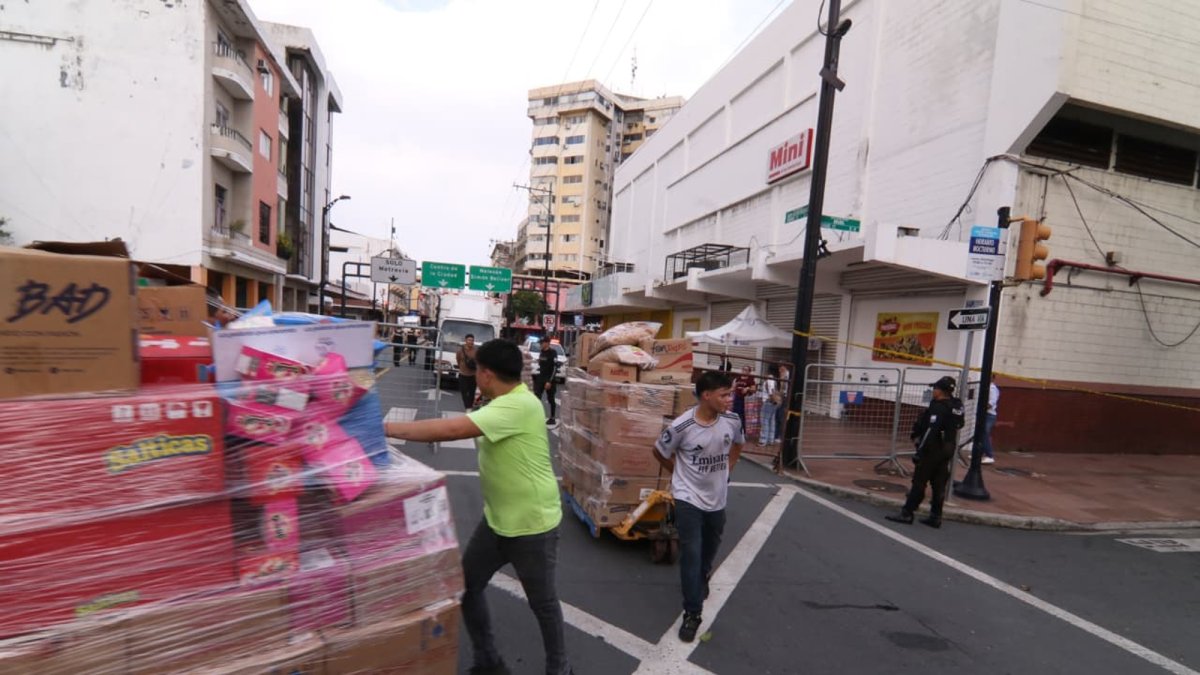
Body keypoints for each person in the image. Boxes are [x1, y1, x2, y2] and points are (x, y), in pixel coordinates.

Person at [385, 340, 571, 675]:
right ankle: (489, 661)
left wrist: (382, 429)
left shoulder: (518, 406)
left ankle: (559, 670)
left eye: (473, 368)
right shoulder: (499, 399)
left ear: (486, 373)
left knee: (543, 604)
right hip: (497, 520)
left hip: (532, 524)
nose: (468, 372)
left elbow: (452, 429)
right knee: (468, 586)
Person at [653, 371, 745, 643]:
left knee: (710, 547)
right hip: (687, 498)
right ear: (706, 396)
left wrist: (729, 468)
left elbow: (738, 445)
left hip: (717, 498)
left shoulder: (732, 420)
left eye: (730, 394)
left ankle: (703, 575)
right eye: (724, 394)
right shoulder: (681, 427)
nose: (730, 399)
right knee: (691, 553)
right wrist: (679, 474)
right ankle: (692, 612)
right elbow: (659, 451)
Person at [885, 376, 965, 529]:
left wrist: (920, 451)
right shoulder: (956, 405)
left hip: (933, 448)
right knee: (939, 483)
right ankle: (935, 516)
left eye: (935, 388)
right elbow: (960, 424)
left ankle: (907, 513)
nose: (933, 391)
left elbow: (930, 430)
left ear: (941, 391)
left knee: (919, 481)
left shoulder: (938, 406)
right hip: (948, 447)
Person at [533, 337, 560, 428]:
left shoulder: (553, 353)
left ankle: (552, 417)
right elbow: (542, 365)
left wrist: (549, 381)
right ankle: (536, 417)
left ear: (547, 343)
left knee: (551, 399)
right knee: (537, 397)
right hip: (541, 378)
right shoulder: (542, 352)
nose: (540, 344)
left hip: (550, 379)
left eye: (542, 342)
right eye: (540, 343)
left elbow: (555, 368)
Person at [758, 364, 782, 446]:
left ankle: (763, 440)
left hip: (768, 402)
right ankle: (770, 439)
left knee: (764, 421)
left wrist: (772, 400)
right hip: (773, 402)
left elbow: (771, 392)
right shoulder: (774, 380)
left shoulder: (769, 380)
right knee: (771, 421)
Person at [458, 334, 479, 411]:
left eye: (472, 340)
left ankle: (469, 406)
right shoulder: (460, 350)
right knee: (464, 392)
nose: (471, 342)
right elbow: (458, 360)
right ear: (465, 341)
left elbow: (478, 361)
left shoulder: (476, 351)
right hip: (463, 374)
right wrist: (462, 368)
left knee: (472, 392)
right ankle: (468, 407)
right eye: (469, 340)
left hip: (473, 375)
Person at [731, 366, 756, 431]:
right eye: (743, 369)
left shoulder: (750, 379)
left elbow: (754, 389)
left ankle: (742, 431)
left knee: (742, 415)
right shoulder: (738, 378)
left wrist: (747, 388)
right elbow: (733, 387)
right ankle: (734, 429)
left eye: (746, 370)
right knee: (735, 414)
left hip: (745, 400)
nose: (744, 371)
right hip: (737, 398)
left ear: (749, 372)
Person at [981, 382, 999, 464]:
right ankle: (980, 454)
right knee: (981, 434)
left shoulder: (992, 388)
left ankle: (989, 455)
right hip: (987, 414)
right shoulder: (987, 387)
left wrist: (983, 409)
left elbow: (992, 402)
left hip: (989, 414)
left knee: (985, 434)